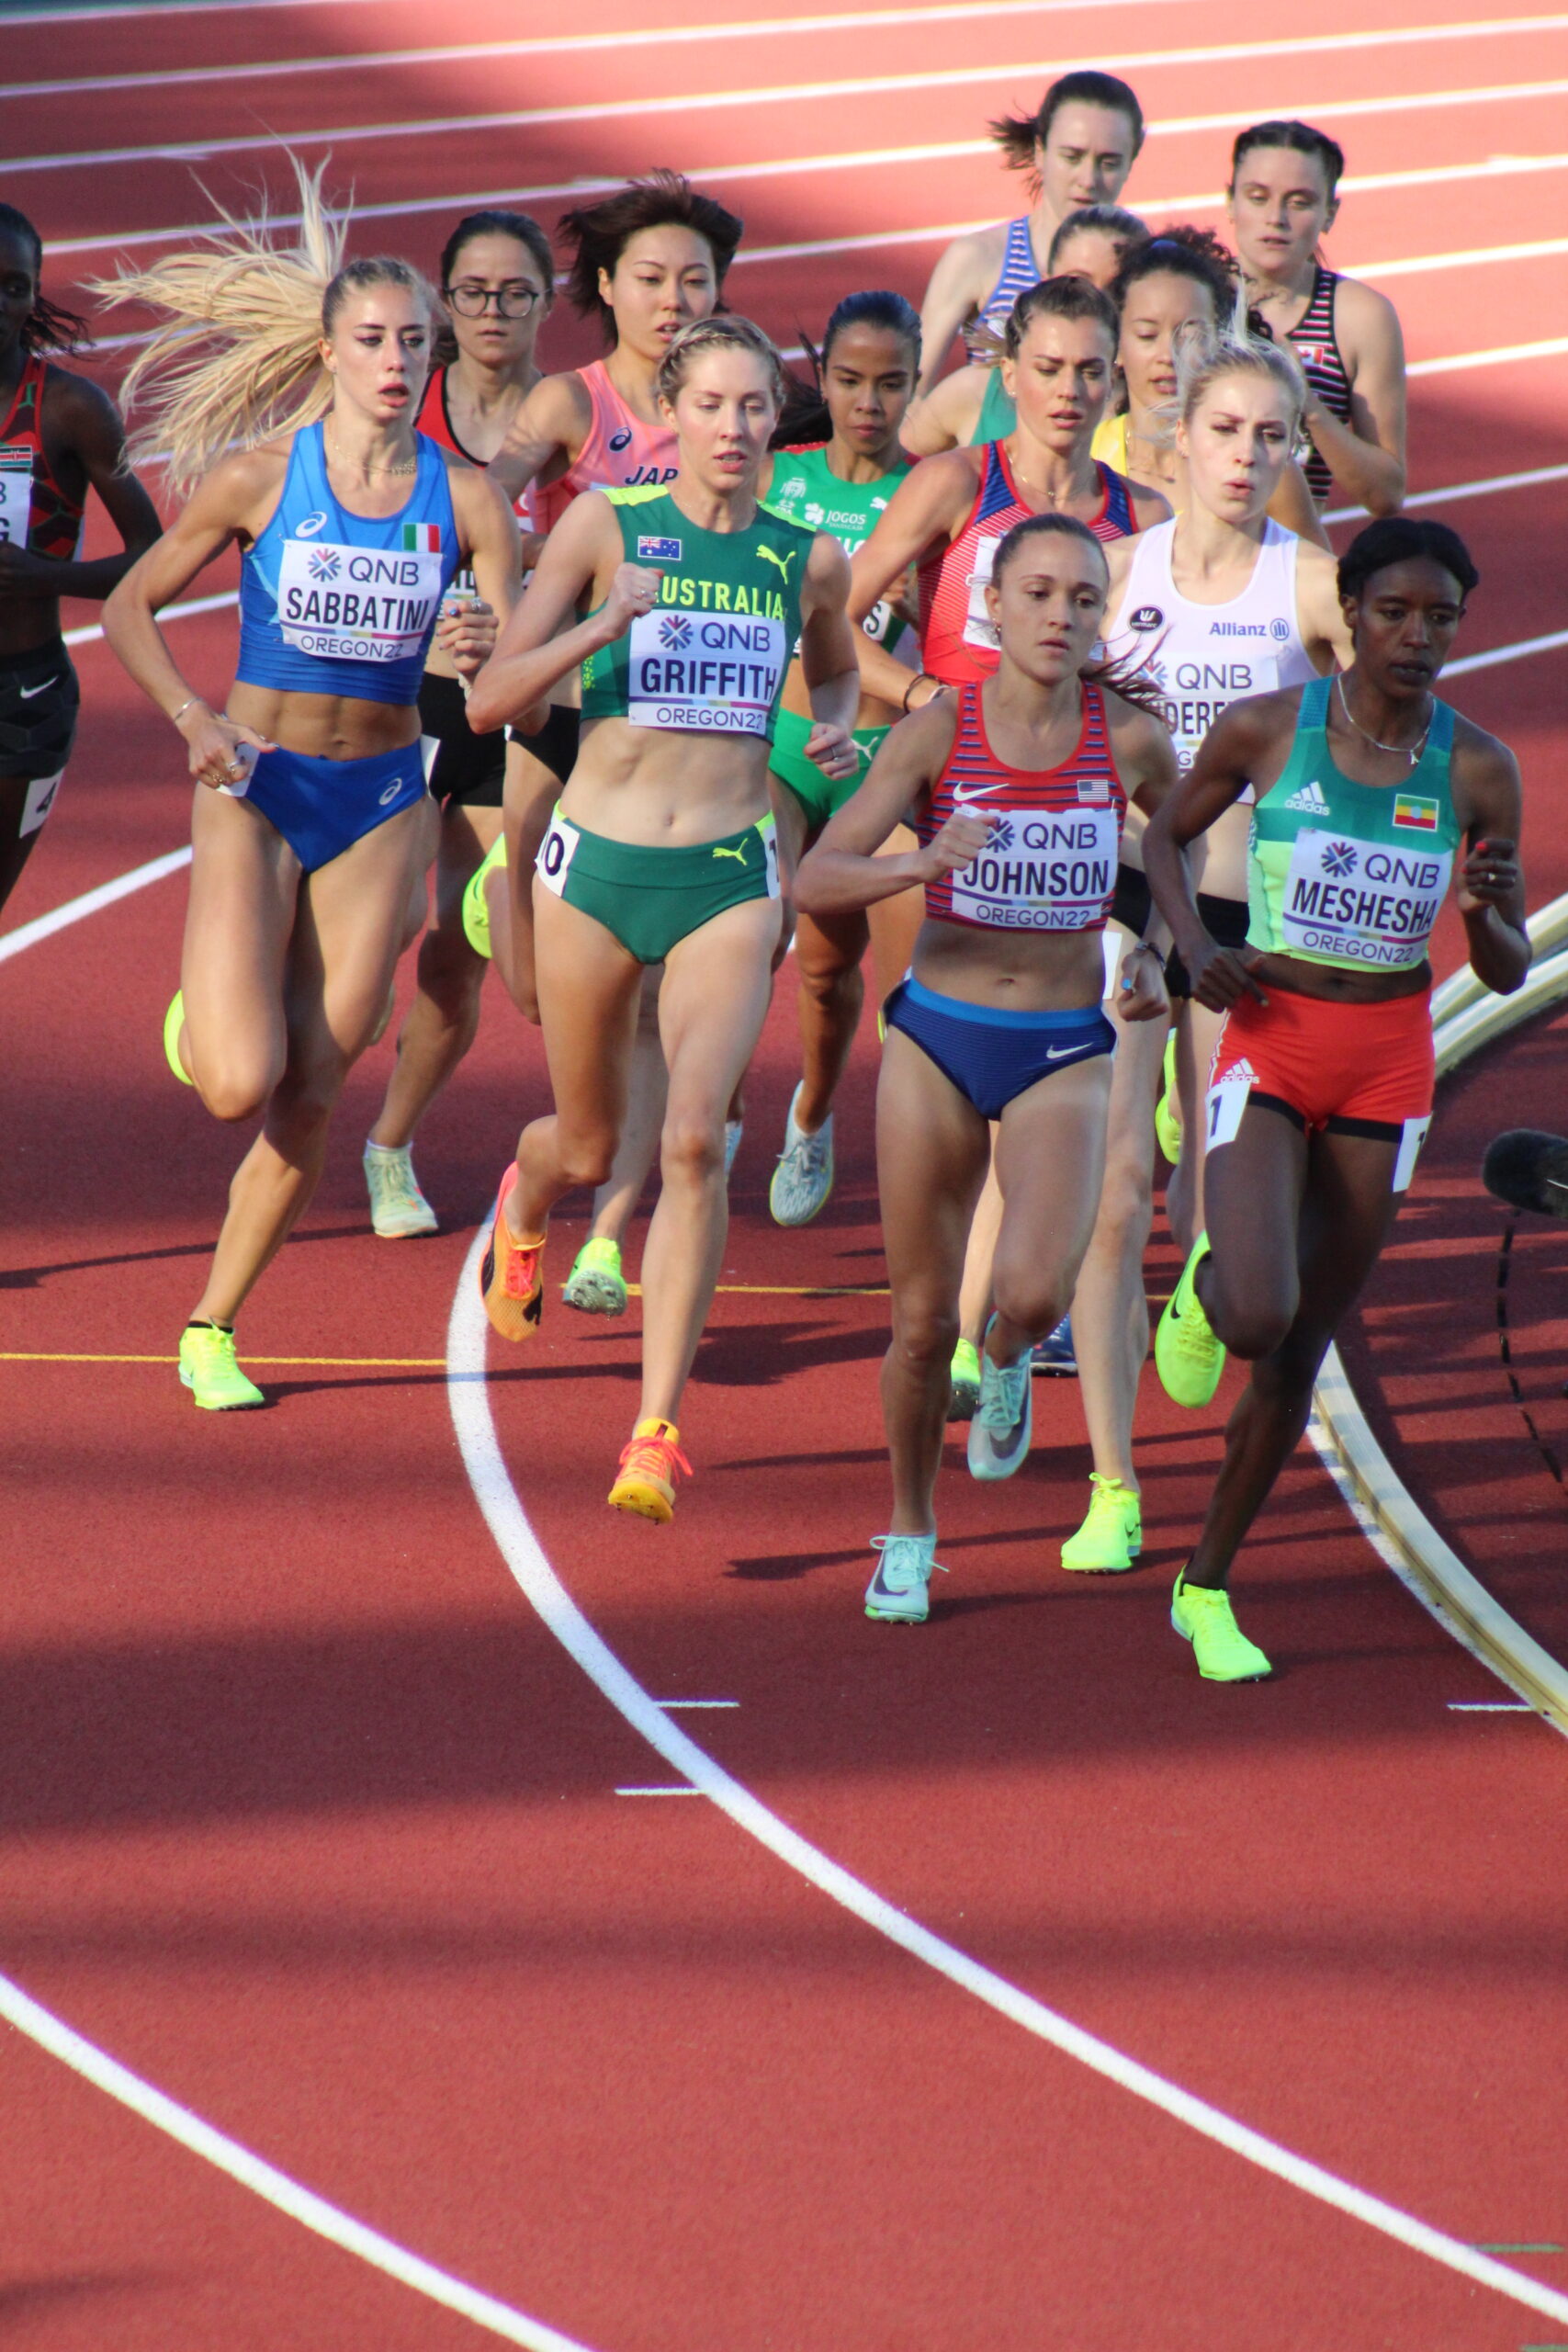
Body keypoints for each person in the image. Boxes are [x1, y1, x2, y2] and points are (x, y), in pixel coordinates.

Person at [98, 169, 518, 1409]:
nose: (395, 360)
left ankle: (212, 1328)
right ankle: (209, 1012)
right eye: (373, 341)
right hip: (258, 783)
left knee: (316, 1084)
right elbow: (127, 602)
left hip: (383, 796)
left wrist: (476, 649)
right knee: (235, 1080)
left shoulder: (469, 499)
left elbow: (496, 674)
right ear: (328, 351)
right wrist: (189, 715)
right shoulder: (259, 479)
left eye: (413, 342)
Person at [466, 316, 860, 1522]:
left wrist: (835, 724)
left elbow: (835, 667)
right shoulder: (606, 526)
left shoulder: (805, 559)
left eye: (754, 410)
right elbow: (487, 703)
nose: (734, 430)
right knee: (586, 1148)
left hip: (731, 877)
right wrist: (601, 622)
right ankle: (527, 1199)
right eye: (712, 406)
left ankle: (653, 1431)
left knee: (690, 1141)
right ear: (670, 415)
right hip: (593, 872)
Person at [1142, 518, 1527, 1680]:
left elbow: (1504, 967)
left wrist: (1487, 911)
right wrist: (1192, 948)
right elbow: (1165, 835)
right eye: (1396, 612)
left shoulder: (1476, 767)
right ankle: (1206, 1293)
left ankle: (1204, 1586)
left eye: (1441, 618)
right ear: (1349, 614)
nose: (1418, 636)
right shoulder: (1269, 728)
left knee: (1304, 1345)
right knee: (1259, 1309)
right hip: (1271, 1039)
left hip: (1387, 1059)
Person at [795, 512, 1175, 1622]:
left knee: (1031, 1290)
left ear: (1104, 619)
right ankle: (912, 1528)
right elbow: (817, 879)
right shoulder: (938, 732)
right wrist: (922, 857)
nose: (1061, 615)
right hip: (938, 1034)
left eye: (1083, 599)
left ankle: (1007, 1352)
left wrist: (1155, 948)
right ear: (993, 609)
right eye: (1040, 594)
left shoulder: (1129, 738)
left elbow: (1179, 839)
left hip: (1062, 1043)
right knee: (918, 1323)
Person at [849, 273, 1166, 1474]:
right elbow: (835, 617)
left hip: (1072, 827)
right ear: (1007, 372)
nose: (1071, 392)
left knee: (1052, 1117)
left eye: (1094, 371)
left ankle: (1006, 1333)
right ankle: (954, 1326)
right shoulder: (951, 485)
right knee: (932, 1056)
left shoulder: (1135, 520)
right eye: (1049, 368)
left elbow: (1156, 683)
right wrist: (915, 696)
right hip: (938, 805)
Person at [473, 171, 745, 1318]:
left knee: (666, 1019)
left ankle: (610, 1233)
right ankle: (550, 1174)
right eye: (652, 279)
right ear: (607, 289)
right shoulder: (574, 407)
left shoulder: (733, 410)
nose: (675, 298)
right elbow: (483, 499)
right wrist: (526, 587)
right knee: (541, 992)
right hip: (575, 703)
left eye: (696, 280)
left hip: (689, 723)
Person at [1100, 335, 1354, 1252]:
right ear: (1182, 438)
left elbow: (1381, 747)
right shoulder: (1118, 575)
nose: (1246, 454)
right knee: (1119, 1152)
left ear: (1291, 450)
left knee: (1216, 1174)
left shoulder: (1318, 588)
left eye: (1270, 435)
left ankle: (1203, 1301)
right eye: (1226, 429)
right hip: (1127, 884)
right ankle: (1067, 1339)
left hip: (1246, 910)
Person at [361, 208, 554, 1239]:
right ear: (442, 304)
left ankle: (390, 1144)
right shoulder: (401, 404)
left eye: (514, 292)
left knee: (455, 949)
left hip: (509, 702)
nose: (492, 310)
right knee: (376, 918)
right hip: (399, 695)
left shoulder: (570, 417)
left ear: (547, 303)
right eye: (473, 292)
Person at [761, 288, 925, 1227]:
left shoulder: (935, 489)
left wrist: (911, 601)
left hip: (882, 759)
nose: (869, 402)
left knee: (850, 976)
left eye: (891, 383)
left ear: (915, 387)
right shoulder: (778, 478)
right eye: (851, 380)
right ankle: (753, 1113)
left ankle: (833, 1120)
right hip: (783, 743)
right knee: (755, 934)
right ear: (823, 376)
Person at [0, 201, 160, 917]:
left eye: (15, 286)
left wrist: (48, 577)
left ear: (35, 293)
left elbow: (155, 558)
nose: (1, 301)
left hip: (24, 697)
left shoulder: (69, 409)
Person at [1094, 228, 1326, 546]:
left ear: (1220, 338)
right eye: (1147, 335)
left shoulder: (1258, 463)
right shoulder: (1089, 458)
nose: (1168, 355)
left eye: (1190, 333)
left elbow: (1318, 584)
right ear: (1116, 345)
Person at [917, 72, 1145, 392]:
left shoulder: (1148, 266)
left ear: (1132, 157)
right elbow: (910, 393)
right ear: (1040, 150)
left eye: (1108, 162)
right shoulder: (979, 260)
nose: (1088, 179)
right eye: (1072, 157)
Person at [1226, 119, 1406, 514]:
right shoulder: (1195, 298)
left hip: (1293, 556)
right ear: (1230, 203)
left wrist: (1305, 402)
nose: (1276, 217)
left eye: (1299, 202)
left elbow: (1386, 494)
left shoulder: (1359, 317)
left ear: (1330, 212)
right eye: (1258, 197)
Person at [902, 205, 1147, 458]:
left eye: (1116, 287)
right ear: (1045, 280)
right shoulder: (976, 393)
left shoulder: (1162, 414)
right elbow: (885, 472)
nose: (1096, 301)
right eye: (1078, 282)